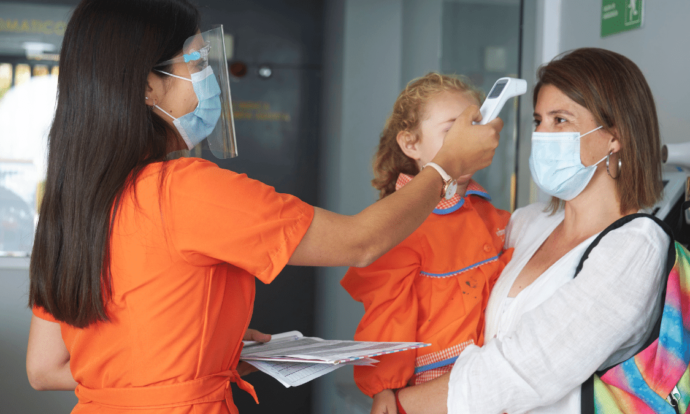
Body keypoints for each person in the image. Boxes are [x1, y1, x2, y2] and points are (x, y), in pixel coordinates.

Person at [24, 1, 503, 414]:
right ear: (147, 87)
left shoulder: (72, 204)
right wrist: (445, 166)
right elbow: (360, 242)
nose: (210, 77)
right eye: (197, 62)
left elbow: (45, 368)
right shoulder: (184, 190)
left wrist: (198, 356)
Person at [393, 48, 669, 414]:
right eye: (539, 120)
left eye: (560, 120)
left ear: (614, 137)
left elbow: (525, 368)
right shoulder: (527, 223)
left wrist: (400, 404)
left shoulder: (636, 246)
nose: (541, 134)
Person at [340, 73, 513, 414]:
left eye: (475, 127)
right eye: (452, 131)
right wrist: (384, 387)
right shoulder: (398, 224)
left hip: (489, 377)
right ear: (411, 145)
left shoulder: (490, 214)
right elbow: (387, 312)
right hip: (429, 383)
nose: (468, 140)